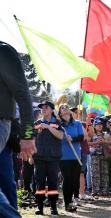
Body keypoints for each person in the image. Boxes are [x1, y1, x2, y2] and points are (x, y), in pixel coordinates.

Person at [0, 41, 36, 218]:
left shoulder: (3, 51)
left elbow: (23, 95)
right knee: (6, 185)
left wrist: (27, 134)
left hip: (1, 125)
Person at [32, 101, 63, 215]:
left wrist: (48, 127)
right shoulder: (36, 123)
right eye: (42, 108)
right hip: (39, 157)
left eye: (46, 107)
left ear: (52, 110)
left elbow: (60, 136)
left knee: (52, 182)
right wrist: (31, 156)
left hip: (53, 157)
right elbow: (33, 140)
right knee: (39, 182)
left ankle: (53, 207)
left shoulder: (57, 123)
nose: (43, 109)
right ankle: (39, 207)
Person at [58, 104, 84, 212]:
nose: (65, 108)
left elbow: (81, 137)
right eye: (62, 107)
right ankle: (67, 203)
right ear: (60, 113)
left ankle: (72, 200)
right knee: (67, 178)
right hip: (63, 155)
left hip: (76, 155)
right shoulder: (58, 125)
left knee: (73, 179)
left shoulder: (77, 123)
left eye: (66, 107)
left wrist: (72, 139)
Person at [88, 117, 110, 196]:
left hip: (104, 155)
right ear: (94, 126)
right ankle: (95, 189)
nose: (99, 126)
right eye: (97, 125)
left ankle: (104, 189)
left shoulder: (105, 134)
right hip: (94, 155)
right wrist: (96, 142)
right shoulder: (91, 135)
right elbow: (87, 143)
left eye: (101, 124)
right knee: (94, 172)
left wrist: (104, 141)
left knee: (104, 172)